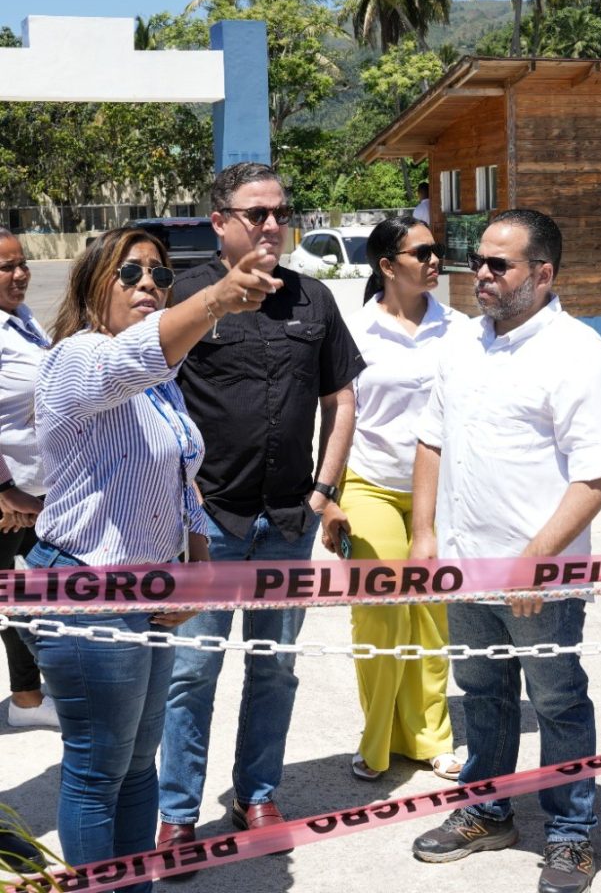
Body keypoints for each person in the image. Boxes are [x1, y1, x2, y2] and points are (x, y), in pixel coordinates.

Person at [22, 225, 276, 893]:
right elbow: (132, 359)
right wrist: (218, 296)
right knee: (97, 769)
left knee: (139, 768)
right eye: (130, 273)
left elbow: (184, 477)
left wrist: (192, 565)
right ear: (89, 284)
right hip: (86, 588)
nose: (148, 286)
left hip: (153, 592)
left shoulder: (161, 380)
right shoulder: (79, 357)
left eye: (160, 276)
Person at [410, 209, 601, 893]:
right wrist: (422, 536)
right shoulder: (460, 343)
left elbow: (596, 476)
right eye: (478, 261)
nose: (481, 274)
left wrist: (537, 557)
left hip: (540, 578)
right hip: (466, 568)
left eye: (499, 265)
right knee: (482, 694)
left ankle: (569, 835)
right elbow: (430, 440)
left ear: (543, 273)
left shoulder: (576, 351)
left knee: (557, 701)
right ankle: (486, 810)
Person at [158, 162, 364, 857]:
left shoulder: (313, 299)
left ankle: (258, 794)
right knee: (191, 671)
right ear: (219, 223)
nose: (272, 223)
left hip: (287, 523)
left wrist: (324, 490)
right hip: (205, 524)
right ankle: (177, 813)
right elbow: (149, 401)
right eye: (255, 213)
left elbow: (341, 399)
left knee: (273, 665)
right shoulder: (186, 298)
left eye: (280, 211)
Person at [338, 216, 463, 782]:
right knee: (381, 615)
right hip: (369, 484)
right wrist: (329, 497)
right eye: (422, 252)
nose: (435, 260)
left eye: (436, 250)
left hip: (437, 493)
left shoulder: (459, 329)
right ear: (388, 266)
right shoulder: (354, 332)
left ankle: (430, 735)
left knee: (430, 616)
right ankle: (378, 740)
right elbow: (339, 417)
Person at [0, 228, 57, 728]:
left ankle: (27, 699)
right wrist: (2, 491)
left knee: (26, 596)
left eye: (22, 264)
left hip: (33, 492)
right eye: (6, 267)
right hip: (9, 495)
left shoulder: (21, 320)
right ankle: (29, 698)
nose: (20, 275)